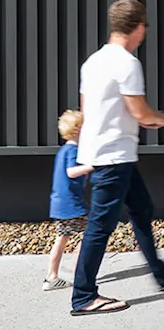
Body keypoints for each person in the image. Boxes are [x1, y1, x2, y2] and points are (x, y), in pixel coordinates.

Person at [70, 0, 164, 316]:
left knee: (141, 208)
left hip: (108, 153)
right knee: (101, 226)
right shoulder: (126, 63)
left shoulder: (93, 62)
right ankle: (83, 296)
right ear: (138, 27)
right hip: (114, 156)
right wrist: (159, 119)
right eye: (145, 27)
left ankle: (161, 273)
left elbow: (87, 112)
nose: (145, 33)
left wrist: (87, 155)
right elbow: (140, 113)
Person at [44, 109, 93, 291]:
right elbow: (71, 172)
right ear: (78, 130)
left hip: (60, 203)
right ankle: (78, 272)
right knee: (90, 234)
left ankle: (52, 276)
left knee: (62, 238)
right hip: (71, 204)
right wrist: (90, 167)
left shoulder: (64, 150)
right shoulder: (73, 150)